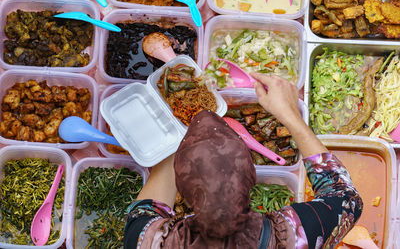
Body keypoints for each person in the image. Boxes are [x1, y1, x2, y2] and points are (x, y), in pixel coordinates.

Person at [123, 73, 363, 249]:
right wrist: (291, 116)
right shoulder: (291, 237)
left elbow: (144, 211)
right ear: (251, 178)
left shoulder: (151, 241)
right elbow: (345, 198)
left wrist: (181, 138)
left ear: (184, 194)